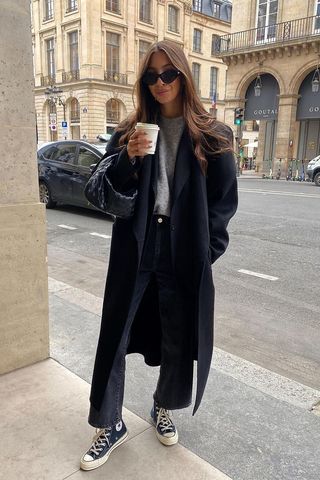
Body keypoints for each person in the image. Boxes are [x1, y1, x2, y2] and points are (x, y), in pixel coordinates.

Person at [80, 40, 238, 471]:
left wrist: (206, 252)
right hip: (136, 243)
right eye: (151, 76)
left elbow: (223, 205)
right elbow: (104, 196)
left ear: (184, 75)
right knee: (115, 331)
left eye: (168, 73)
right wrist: (126, 160)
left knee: (177, 332)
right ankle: (109, 423)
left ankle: (164, 405)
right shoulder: (131, 130)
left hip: (182, 246)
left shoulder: (213, 136)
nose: (160, 82)